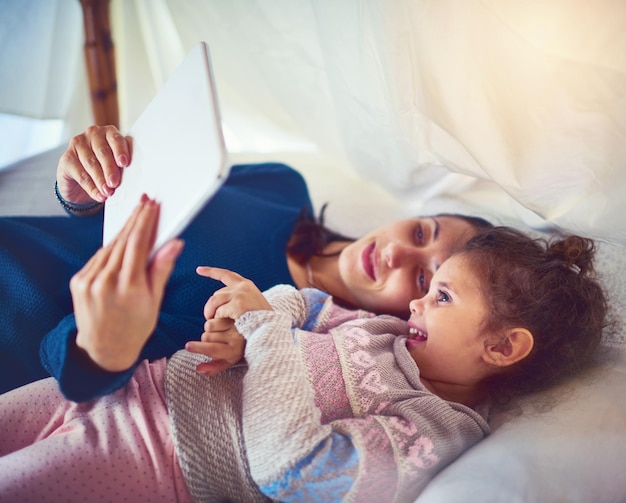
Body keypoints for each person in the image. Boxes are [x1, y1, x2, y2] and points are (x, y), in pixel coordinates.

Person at [0, 197, 607, 502]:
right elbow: (303, 304)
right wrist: (251, 316)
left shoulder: (431, 425)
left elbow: (297, 470)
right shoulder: (391, 334)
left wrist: (265, 339)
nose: (416, 305)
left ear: (502, 347)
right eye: (423, 236)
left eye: (438, 293)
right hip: (138, 384)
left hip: (155, 458)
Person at [0, 125, 492, 399]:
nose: (396, 252)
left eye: (425, 276)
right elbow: (119, 203)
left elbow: (72, 362)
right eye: (422, 231)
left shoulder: (268, 333)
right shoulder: (280, 184)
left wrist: (100, 352)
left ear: (417, 313)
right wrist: (86, 187)